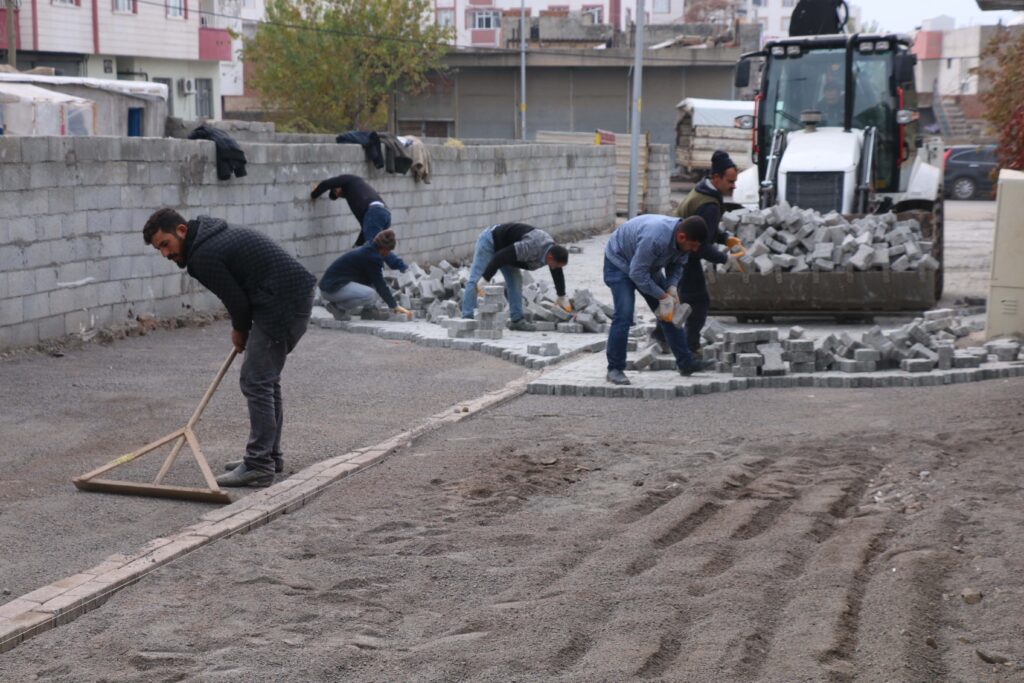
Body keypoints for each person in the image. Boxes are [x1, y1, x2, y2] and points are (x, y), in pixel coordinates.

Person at [143, 208, 316, 487]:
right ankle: (269, 456)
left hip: (281, 301)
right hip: (288, 295)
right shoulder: (210, 236)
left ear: (182, 231)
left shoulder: (202, 256)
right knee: (265, 380)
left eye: (165, 244)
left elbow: (237, 302)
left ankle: (259, 464)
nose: (165, 254)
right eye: (158, 250)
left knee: (257, 380)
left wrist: (239, 330)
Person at [603, 214, 710, 385]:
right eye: (692, 245)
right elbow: (637, 273)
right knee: (624, 314)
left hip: (645, 264)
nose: (694, 250)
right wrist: (662, 296)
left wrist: (672, 287)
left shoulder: (684, 241)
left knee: (670, 313)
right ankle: (615, 369)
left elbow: (677, 265)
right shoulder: (655, 238)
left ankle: (686, 363)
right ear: (681, 237)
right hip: (619, 262)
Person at [674, 150, 742, 353]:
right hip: (685, 255)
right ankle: (690, 347)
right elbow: (700, 246)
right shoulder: (709, 205)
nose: (734, 185)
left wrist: (724, 237)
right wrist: (725, 258)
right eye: (730, 181)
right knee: (698, 301)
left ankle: (662, 337)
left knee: (683, 299)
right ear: (716, 177)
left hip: (680, 252)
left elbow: (704, 230)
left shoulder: (703, 191)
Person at [461, 223, 571, 332]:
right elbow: (500, 257)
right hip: (491, 241)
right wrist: (485, 279)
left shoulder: (552, 251)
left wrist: (562, 295)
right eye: (556, 265)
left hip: (508, 251)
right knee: (476, 278)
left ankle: (517, 320)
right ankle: (467, 318)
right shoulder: (531, 246)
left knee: (515, 281)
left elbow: (557, 272)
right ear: (550, 257)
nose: (555, 268)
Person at [310, 174, 407, 273]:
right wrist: (357, 246)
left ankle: (404, 269)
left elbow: (327, 183)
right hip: (383, 214)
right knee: (369, 249)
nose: (338, 193)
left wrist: (314, 194)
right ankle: (379, 276)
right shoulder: (355, 194)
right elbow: (365, 228)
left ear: (339, 185)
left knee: (377, 247)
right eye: (336, 194)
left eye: (336, 190)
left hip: (375, 212)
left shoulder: (350, 180)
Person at [318, 230, 412, 320]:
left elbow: (374, 282)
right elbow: (380, 284)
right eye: (389, 250)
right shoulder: (372, 257)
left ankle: (368, 312)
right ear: (383, 249)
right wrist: (394, 305)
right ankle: (337, 307)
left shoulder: (370, 250)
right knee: (370, 294)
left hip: (335, 286)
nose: (388, 253)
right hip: (331, 289)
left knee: (374, 291)